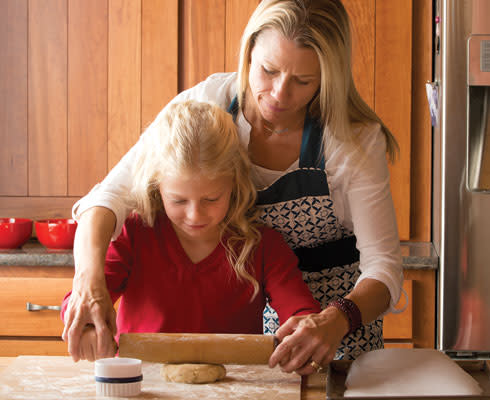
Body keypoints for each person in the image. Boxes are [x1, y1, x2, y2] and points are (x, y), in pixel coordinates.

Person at [63, 0, 404, 375]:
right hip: (261, 328)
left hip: (344, 321)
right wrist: (88, 280)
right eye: (268, 70)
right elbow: (110, 196)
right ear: (249, 52)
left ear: (328, 76)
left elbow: (384, 266)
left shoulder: (351, 140)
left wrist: (335, 320)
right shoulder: (209, 103)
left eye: (303, 81)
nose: (278, 93)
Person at [61, 100, 322, 362]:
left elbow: (299, 312)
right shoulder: (135, 234)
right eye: (179, 200)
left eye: (211, 199)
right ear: (157, 186)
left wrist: (303, 331)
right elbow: (81, 299)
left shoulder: (262, 245)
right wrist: (87, 326)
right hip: (141, 383)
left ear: (234, 182)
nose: (195, 215)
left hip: (232, 389)